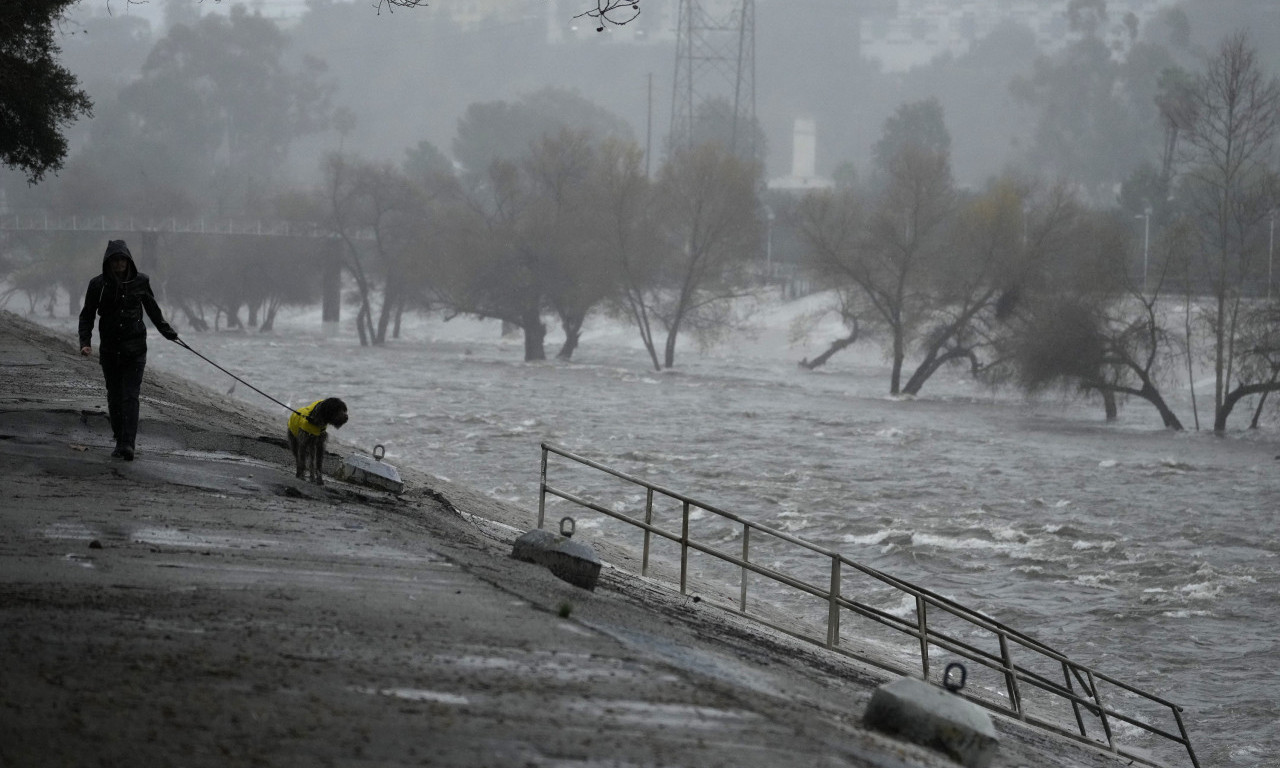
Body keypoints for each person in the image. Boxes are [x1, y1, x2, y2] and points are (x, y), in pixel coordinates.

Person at [78, 239, 180, 461]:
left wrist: (168, 332)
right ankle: (119, 438)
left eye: (122, 260)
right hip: (109, 350)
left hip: (135, 350)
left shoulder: (141, 281)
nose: (119, 264)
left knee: (130, 397)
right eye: (115, 261)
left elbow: (152, 309)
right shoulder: (98, 285)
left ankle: (128, 444)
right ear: (108, 263)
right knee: (115, 397)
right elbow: (87, 315)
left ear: (128, 261)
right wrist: (85, 341)